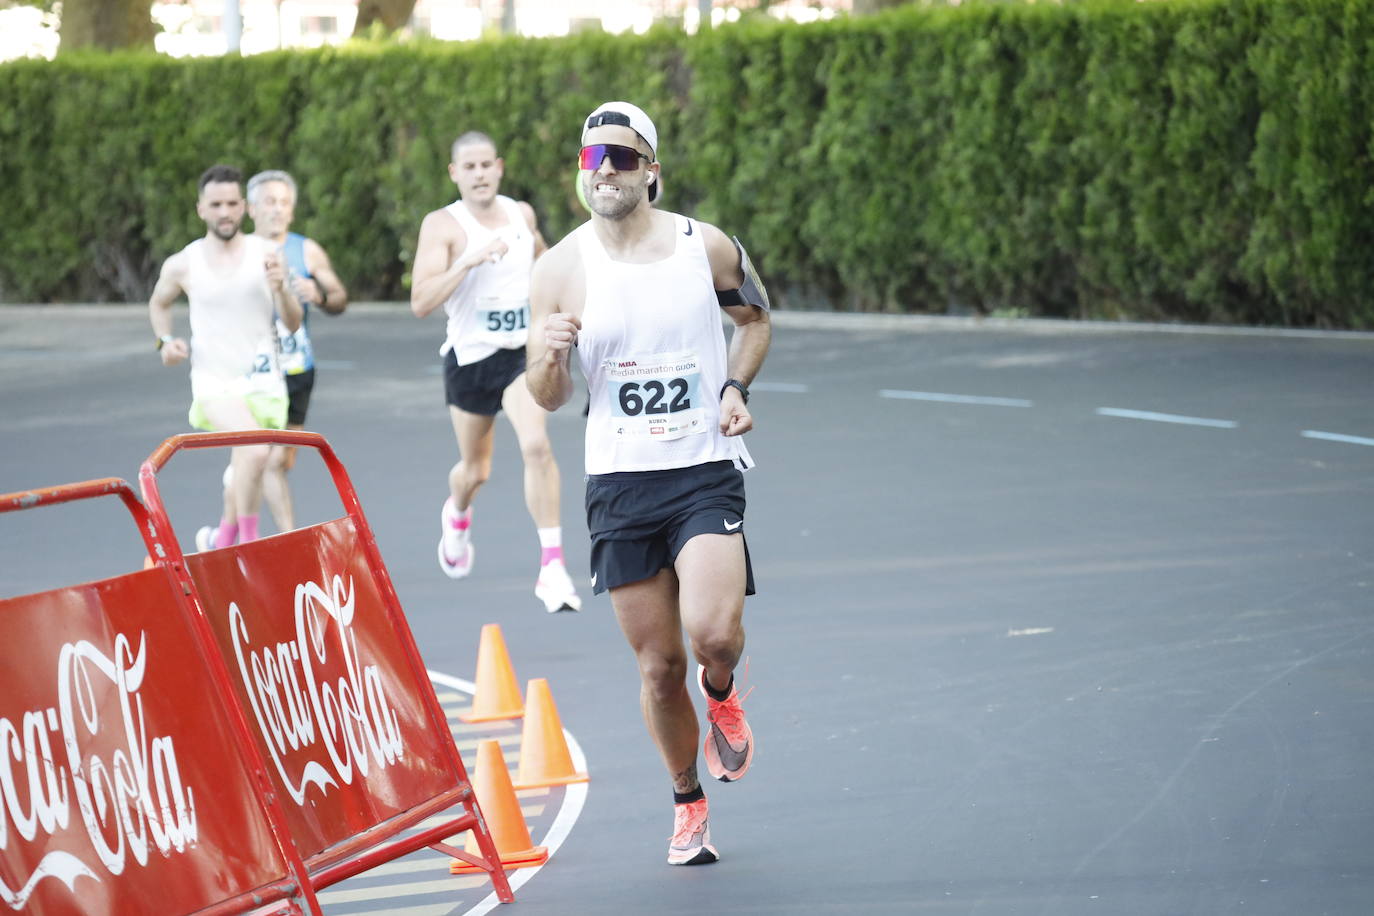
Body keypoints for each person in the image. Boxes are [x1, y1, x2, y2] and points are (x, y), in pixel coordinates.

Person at [526, 102, 772, 865]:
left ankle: (724, 689)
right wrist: (550, 355)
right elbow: (546, 397)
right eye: (591, 157)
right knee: (660, 669)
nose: (604, 170)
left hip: (700, 468)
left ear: (651, 171)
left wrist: (734, 390)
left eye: (622, 158)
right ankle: (687, 801)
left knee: (711, 635)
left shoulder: (707, 247)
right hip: (620, 482)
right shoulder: (560, 267)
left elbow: (756, 320)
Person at [410, 130, 582, 613]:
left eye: (487, 165)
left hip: (519, 355)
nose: (480, 174)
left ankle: (552, 568)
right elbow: (421, 301)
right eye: (470, 167)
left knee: (536, 445)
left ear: (500, 167)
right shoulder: (442, 226)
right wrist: (467, 261)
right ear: (455, 173)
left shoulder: (521, 215)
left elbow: (547, 263)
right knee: (475, 471)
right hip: (469, 360)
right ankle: (457, 513)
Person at [194, 169, 349, 551]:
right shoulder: (232, 254)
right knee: (268, 461)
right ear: (251, 209)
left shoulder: (305, 251)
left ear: (292, 211)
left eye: (284, 203)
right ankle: (290, 541)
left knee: (270, 463)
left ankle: (222, 535)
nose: (277, 210)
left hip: (296, 372)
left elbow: (339, 298)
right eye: (269, 202)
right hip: (246, 376)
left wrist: (320, 294)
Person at [149, 164, 303, 547]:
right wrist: (165, 342)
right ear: (201, 209)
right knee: (253, 452)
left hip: (264, 381)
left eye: (232, 203)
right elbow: (158, 302)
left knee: (245, 469)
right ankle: (247, 544)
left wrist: (282, 289)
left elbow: (294, 322)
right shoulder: (184, 263)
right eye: (215, 204)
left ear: (245, 209)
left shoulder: (268, 253)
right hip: (214, 382)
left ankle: (223, 538)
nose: (225, 212)